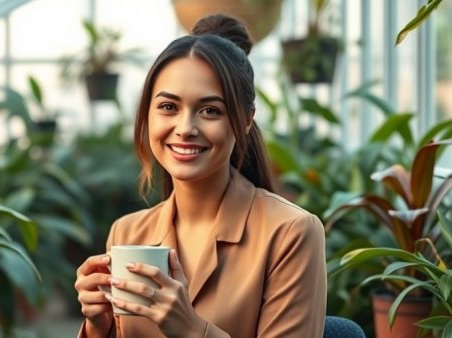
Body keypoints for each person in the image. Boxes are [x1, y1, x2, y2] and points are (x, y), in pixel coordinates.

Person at [74, 13, 327, 338]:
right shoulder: (127, 233)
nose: (185, 129)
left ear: (246, 121)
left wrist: (191, 329)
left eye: (210, 111)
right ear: (147, 113)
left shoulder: (291, 233)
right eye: (168, 107)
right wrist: (98, 325)